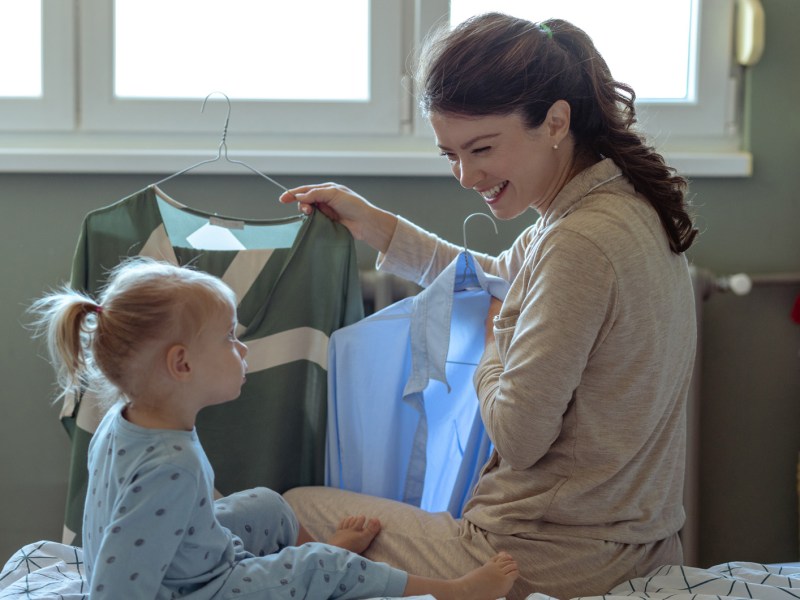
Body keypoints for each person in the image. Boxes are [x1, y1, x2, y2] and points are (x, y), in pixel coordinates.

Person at [279, 12, 698, 600]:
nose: (465, 175)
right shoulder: (612, 205)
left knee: (287, 513)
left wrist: (496, 347)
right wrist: (374, 224)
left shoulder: (578, 242)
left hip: (544, 557)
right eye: (450, 154)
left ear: (555, 121)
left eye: (481, 149)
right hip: (631, 545)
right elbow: (497, 279)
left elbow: (520, 436)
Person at [28, 257, 518, 600]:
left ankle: (324, 551)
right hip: (196, 590)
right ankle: (452, 593)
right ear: (181, 365)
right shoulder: (168, 466)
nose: (241, 351)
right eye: (228, 339)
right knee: (317, 569)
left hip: (186, 563)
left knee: (266, 503)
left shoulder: (128, 422)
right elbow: (118, 585)